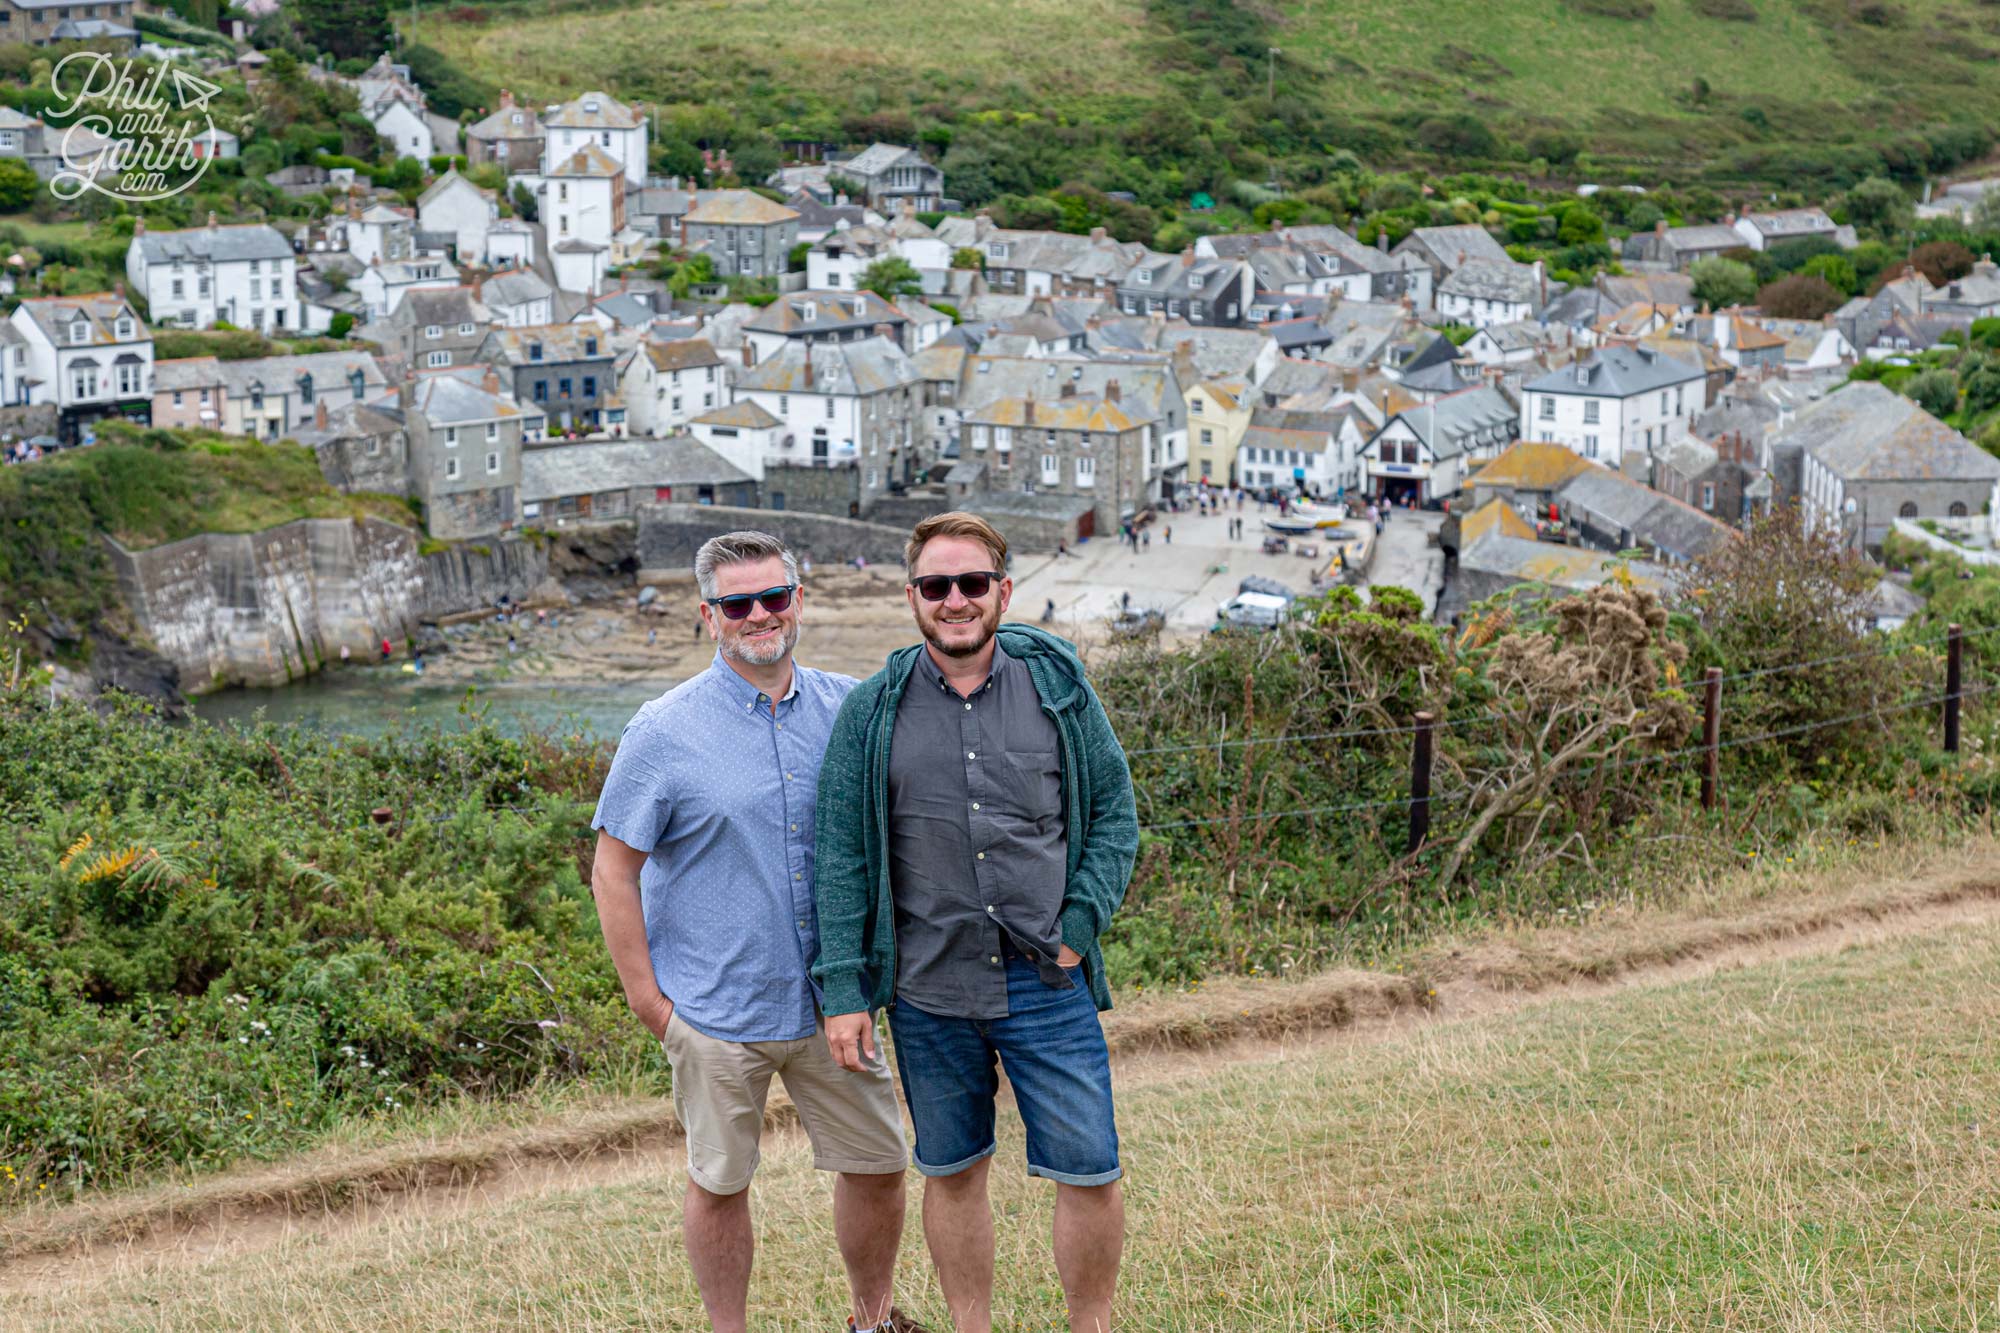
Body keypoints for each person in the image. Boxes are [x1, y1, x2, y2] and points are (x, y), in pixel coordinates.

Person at [590, 532, 922, 1333]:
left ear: (799, 600)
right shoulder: (661, 730)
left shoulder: (852, 707)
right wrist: (650, 1004)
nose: (760, 614)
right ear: (710, 616)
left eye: (774, 596)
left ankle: (871, 1322)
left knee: (879, 1163)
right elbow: (613, 870)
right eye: (738, 603)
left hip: (832, 1003)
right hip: (712, 1009)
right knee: (720, 1180)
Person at [815, 512, 1137, 1333]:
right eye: (935, 586)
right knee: (952, 1169)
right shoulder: (870, 713)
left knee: (1091, 1169)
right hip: (928, 991)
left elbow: (1115, 819)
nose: (954, 600)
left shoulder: (1059, 687)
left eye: (970, 584)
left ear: (1002, 589)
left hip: (1048, 981)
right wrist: (844, 989)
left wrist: (1079, 924)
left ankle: (1090, 1327)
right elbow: (844, 859)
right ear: (914, 597)